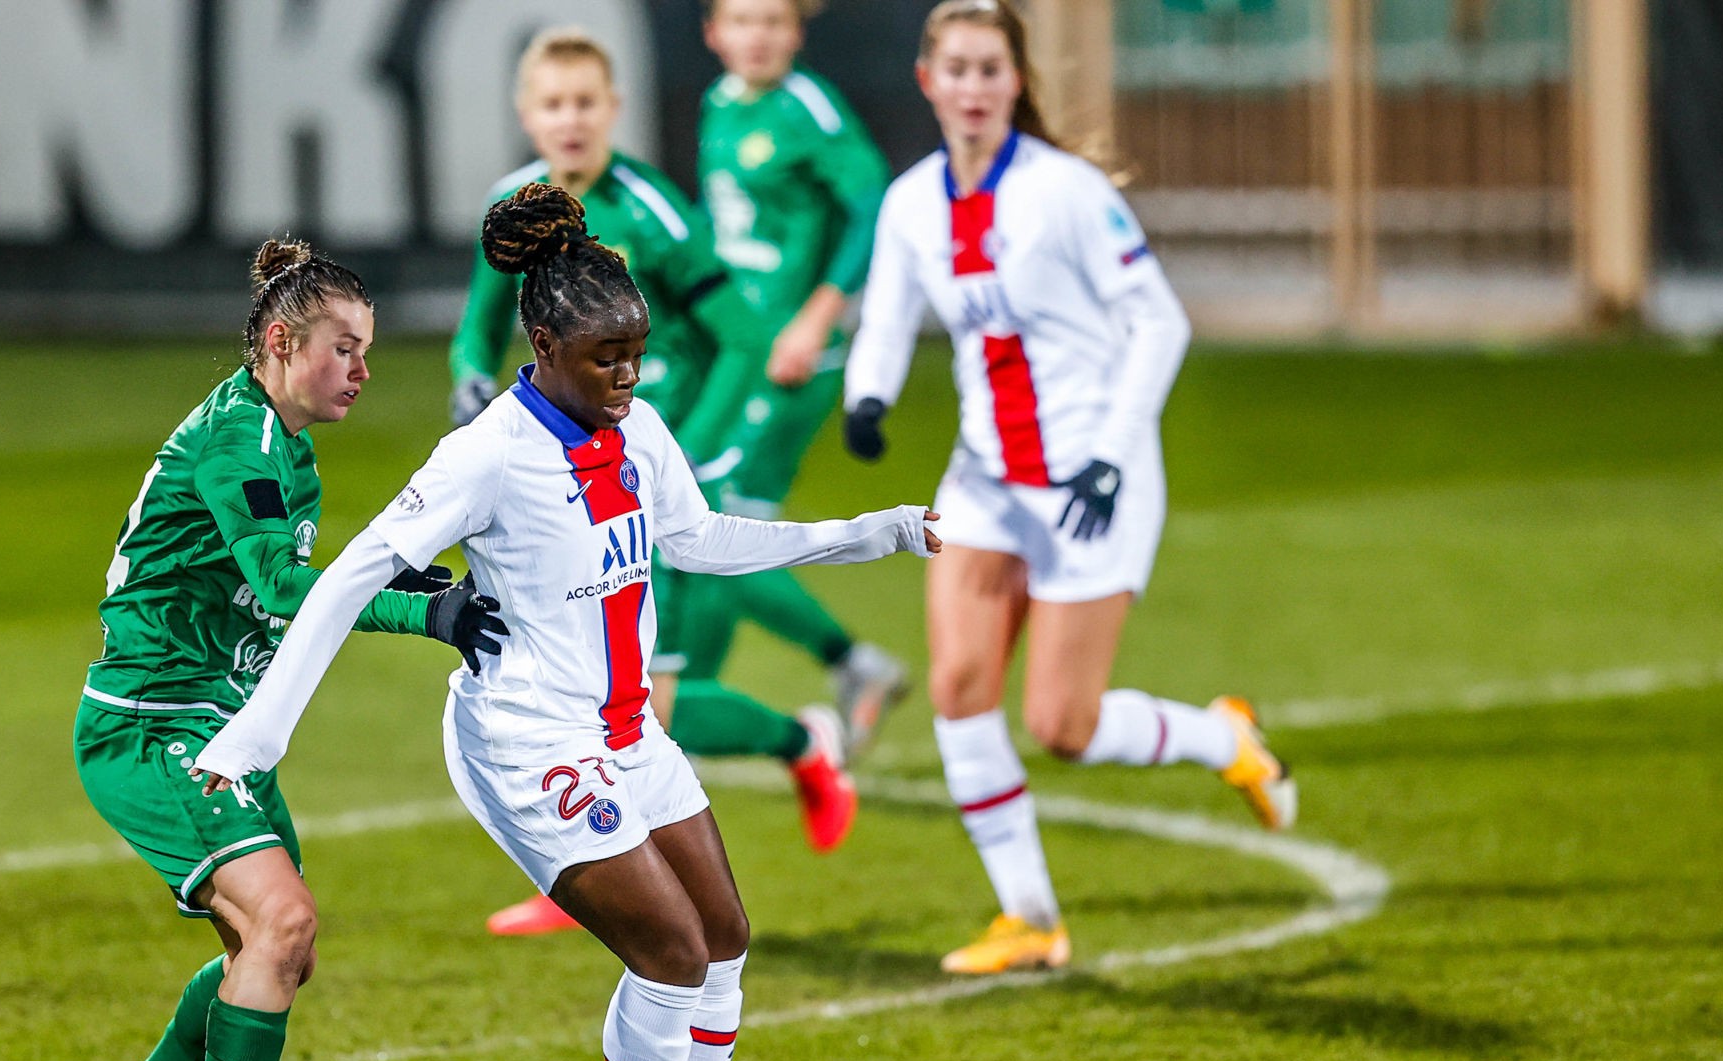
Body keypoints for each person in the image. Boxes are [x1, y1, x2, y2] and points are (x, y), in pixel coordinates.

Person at [194, 184, 939, 1061]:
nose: (627, 374)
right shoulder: (485, 454)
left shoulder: (633, 426)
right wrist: (256, 736)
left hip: (629, 732)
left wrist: (871, 533)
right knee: (671, 951)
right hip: (527, 740)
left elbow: (701, 537)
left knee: (724, 936)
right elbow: (347, 577)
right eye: (605, 357)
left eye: (635, 351)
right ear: (541, 343)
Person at [842, 0, 1297, 977]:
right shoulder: (912, 201)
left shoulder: (1066, 192)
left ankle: (1224, 735)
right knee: (960, 686)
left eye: (987, 70)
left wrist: (1109, 451)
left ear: (1014, 82)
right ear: (926, 81)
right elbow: (885, 315)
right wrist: (866, 399)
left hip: (1093, 481)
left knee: (1062, 726)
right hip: (983, 480)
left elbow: (1159, 323)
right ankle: (1030, 917)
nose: (970, 88)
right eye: (953, 70)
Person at [74, 239, 505, 1061]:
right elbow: (277, 588)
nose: (362, 369)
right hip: (150, 722)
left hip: (216, 719)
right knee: (283, 917)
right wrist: (421, 610)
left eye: (366, 349)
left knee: (275, 948)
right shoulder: (240, 443)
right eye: (343, 349)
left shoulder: (278, 437)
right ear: (280, 342)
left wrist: (413, 587)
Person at [448, 28, 861, 939]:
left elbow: (745, 335)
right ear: (527, 115)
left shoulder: (653, 212)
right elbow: (476, 326)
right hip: (559, 470)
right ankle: (590, 863)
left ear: (613, 110)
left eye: (585, 103)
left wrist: (698, 450)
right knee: (573, 692)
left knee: (638, 705)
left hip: (633, 469)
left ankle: (803, 743)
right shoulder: (512, 211)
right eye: (553, 104)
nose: (570, 119)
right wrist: (469, 381)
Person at [687, 0, 909, 754]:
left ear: (797, 32)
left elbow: (873, 202)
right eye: (743, 20)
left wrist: (818, 317)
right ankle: (689, 696)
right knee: (711, 522)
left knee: (711, 524)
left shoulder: (809, 108)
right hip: (738, 351)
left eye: (774, 20)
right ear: (714, 32)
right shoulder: (720, 104)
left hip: (792, 358)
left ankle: (846, 663)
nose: (759, 36)